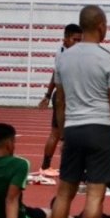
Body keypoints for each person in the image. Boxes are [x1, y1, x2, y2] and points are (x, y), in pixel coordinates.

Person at [42, 5, 110, 218]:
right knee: (94, 194)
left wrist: (63, 134)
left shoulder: (63, 58)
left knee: (65, 191)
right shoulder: (108, 59)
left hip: (72, 128)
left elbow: (60, 102)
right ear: (101, 26)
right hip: (100, 129)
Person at [37, 24, 82, 177]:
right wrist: (50, 95)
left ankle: (47, 166)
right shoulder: (67, 55)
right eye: (75, 39)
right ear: (66, 39)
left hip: (69, 96)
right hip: (65, 97)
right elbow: (56, 76)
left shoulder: (62, 52)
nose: (78, 43)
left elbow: (54, 75)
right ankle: (51, 166)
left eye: (80, 40)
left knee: (62, 134)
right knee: (59, 134)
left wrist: (48, 95)